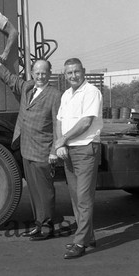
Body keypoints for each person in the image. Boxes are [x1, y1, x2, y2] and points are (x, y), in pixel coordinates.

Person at [0, 47, 61, 240]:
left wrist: (54, 151)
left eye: (44, 73)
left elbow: (58, 125)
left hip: (43, 150)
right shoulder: (28, 87)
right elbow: (8, 77)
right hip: (26, 148)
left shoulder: (54, 95)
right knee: (34, 191)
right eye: (37, 73)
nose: (41, 76)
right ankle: (38, 223)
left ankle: (47, 226)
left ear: (50, 74)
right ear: (32, 73)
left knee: (45, 191)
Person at [55, 58, 103, 259]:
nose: (73, 76)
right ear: (65, 75)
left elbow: (86, 122)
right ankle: (88, 236)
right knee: (75, 197)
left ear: (83, 71)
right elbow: (59, 120)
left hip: (85, 150)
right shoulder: (66, 94)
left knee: (83, 197)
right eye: (69, 73)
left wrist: (63, 139)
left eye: (76, 72)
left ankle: (80, 242)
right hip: (69, 151)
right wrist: (60, 143)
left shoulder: (91, 92)